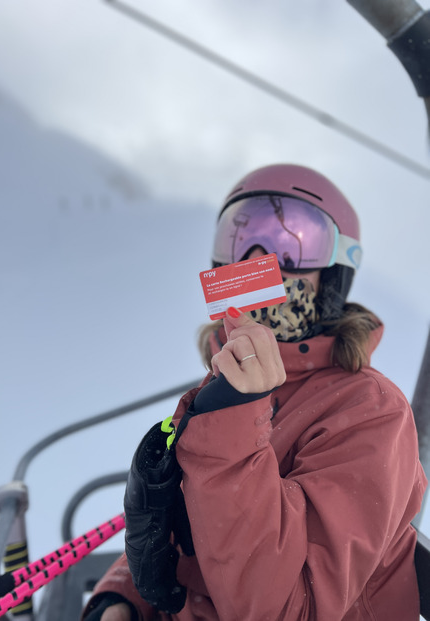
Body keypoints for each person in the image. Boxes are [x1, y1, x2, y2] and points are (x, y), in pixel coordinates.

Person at [82, 164, 426, 621]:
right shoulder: (217, 391)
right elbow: (190, 526)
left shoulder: (369, 411)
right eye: (240, 241)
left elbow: (287, 610)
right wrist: (122, 597)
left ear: (335, 271)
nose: (260, 262)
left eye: (294, 244)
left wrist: (231, 415)